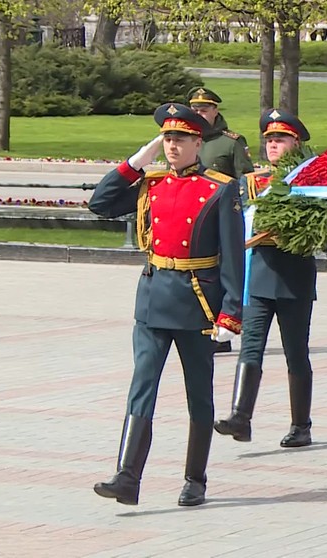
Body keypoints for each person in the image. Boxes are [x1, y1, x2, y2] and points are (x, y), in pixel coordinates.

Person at [89, 103, 245, 506]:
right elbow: (101, 203)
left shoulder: (219, 188)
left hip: (197, 303)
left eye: (180, 139)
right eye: (167, 138)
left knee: (199, 393)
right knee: (142, 385)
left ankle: (196, 478)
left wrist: (231, 312)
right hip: (154, 298)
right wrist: (136, 163)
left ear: (198, 142)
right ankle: (127, 476)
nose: (172, 146)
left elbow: (232, 256)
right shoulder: (152, 183)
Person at [214, 109, 317, 448]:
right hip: (258, 277)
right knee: (251, 347)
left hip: (294, 278)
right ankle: (240, 417)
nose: (273, 145)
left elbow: (326, 233)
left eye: (280, 139)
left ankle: (301, 425)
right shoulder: (251, 183)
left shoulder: (310, 181)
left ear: (296, 143)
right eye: (269, 140)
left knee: (295, 353)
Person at [189, 86, 255, 354]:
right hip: (193, 218)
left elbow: (246, 180)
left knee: (220, 276)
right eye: (194, 109)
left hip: (222, 217)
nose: (198, 114)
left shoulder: (231, 142)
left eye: (203, 110)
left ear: (215, 111)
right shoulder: (186, 138)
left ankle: (222, 332)